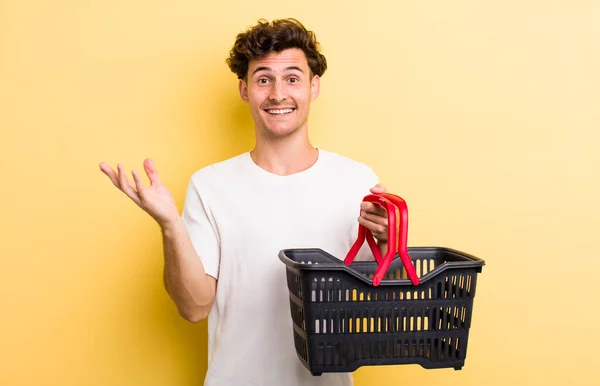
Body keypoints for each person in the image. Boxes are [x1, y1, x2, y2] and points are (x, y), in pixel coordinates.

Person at [100, 18, 390, 386]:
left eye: (292, 78)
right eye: (263, 79)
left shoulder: (357, 182)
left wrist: (385, 243)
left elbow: (377, 306)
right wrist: (170, 224)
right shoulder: (210, 186)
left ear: (314, 87)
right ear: (244, 89)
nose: (278, 94)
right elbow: (193, 307)